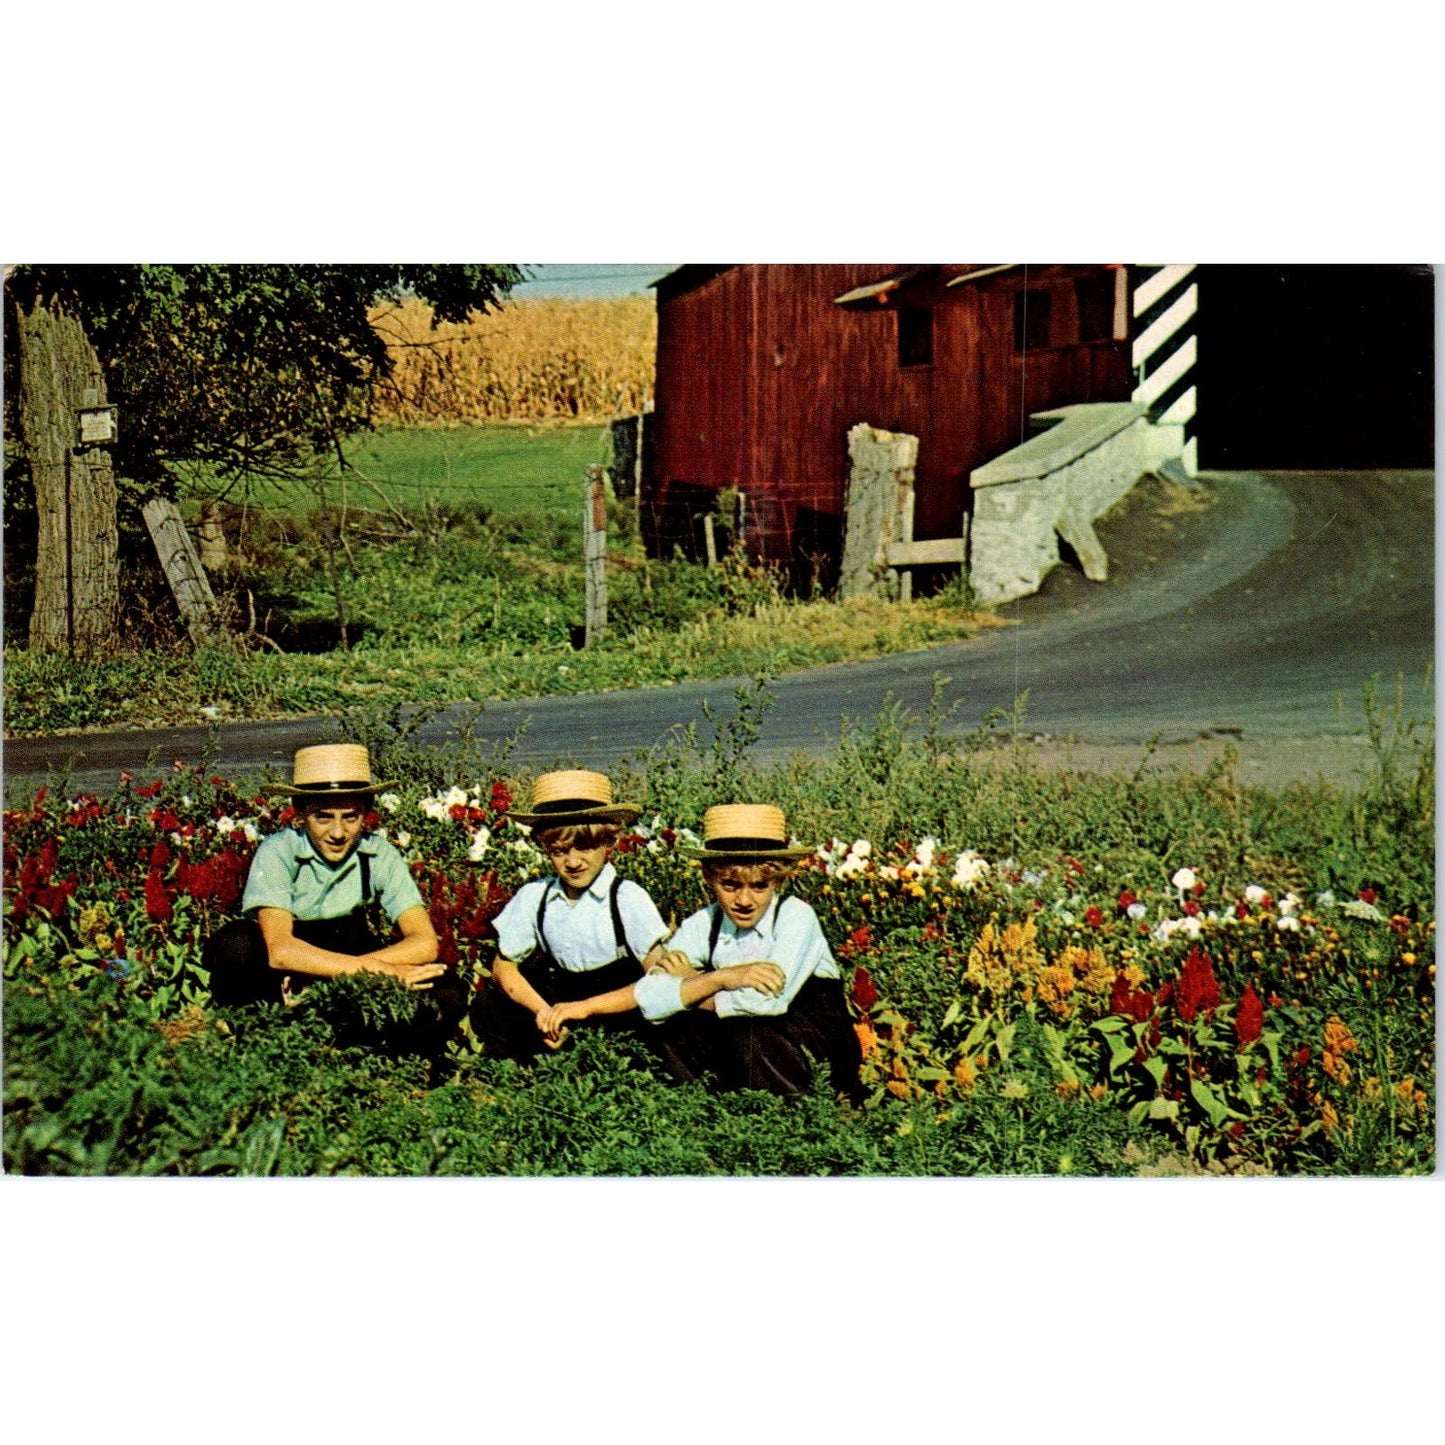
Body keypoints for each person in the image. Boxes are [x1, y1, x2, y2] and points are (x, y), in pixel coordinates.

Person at [202, 744, 453, 1022]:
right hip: (291, 959)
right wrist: (379, 972)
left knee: (445, 991)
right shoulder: (279, 851)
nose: (338, 832)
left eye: (350, 817)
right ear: (300, 813)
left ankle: (363, 1043)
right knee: (237, 944)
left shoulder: (378, 853)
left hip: (347, 950)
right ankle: (257, 1033)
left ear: (366, 812)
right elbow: (281, 951)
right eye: (323, 817)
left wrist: (357, 973)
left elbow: (424, 943)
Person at [634, 804, 864, 1100]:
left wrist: (694, 980)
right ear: (709, 877)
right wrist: (721, 979)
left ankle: (800, 1114)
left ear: (778, 880)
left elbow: (765, 1003)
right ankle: (700, 1107)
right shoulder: (706, 922)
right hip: (748, 1045)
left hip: (812, 1045)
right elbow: (651, 997)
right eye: (730, 885)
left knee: (748, 1030)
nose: (744, 899)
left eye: (759, 886)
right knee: (668, 1027)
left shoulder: (795, 917)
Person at [471, 770, 686, 1059]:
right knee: (490, 1004)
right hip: (560, 1003)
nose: (572, 862)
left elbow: (658, 977)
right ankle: (525, 1071)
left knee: (660, 1028)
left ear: (608, 842)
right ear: (545, 848)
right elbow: (504, 967)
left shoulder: (625, 897)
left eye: (584, 847)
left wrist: (585, 1009)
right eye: (559, 851)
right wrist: (544, 1013)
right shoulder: (537, 896)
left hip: (616, 1007)